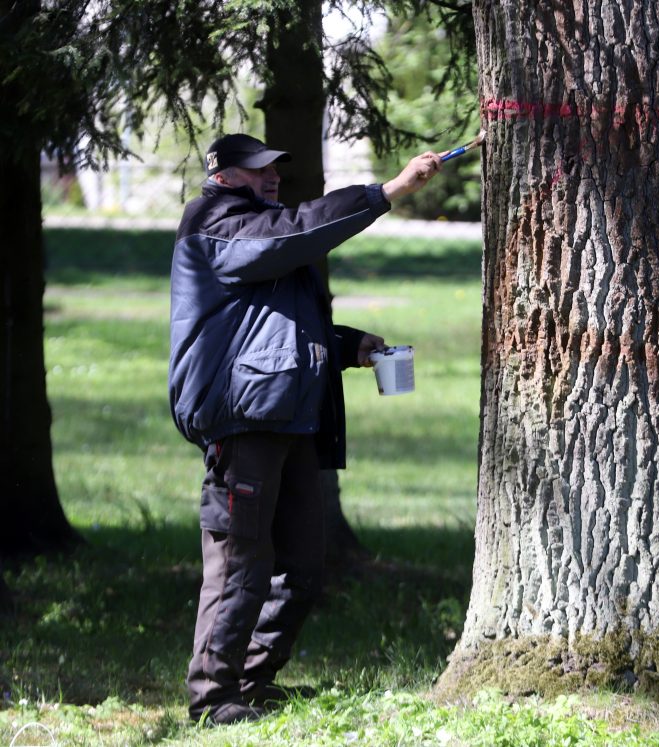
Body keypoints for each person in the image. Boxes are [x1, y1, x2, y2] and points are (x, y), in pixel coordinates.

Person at [168, 133, 442, 725]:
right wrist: (386, 192)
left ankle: (250, 680)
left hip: (289, 414)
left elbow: (272, 321)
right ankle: (212, 698)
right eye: (258, 170)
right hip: (242, 418)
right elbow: (289, 234)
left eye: (275, 170)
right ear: (224, 174)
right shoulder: (215, 220)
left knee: (302, 565)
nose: (272, 178)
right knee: (240, 561)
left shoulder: (263, 234)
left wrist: (347, 345)